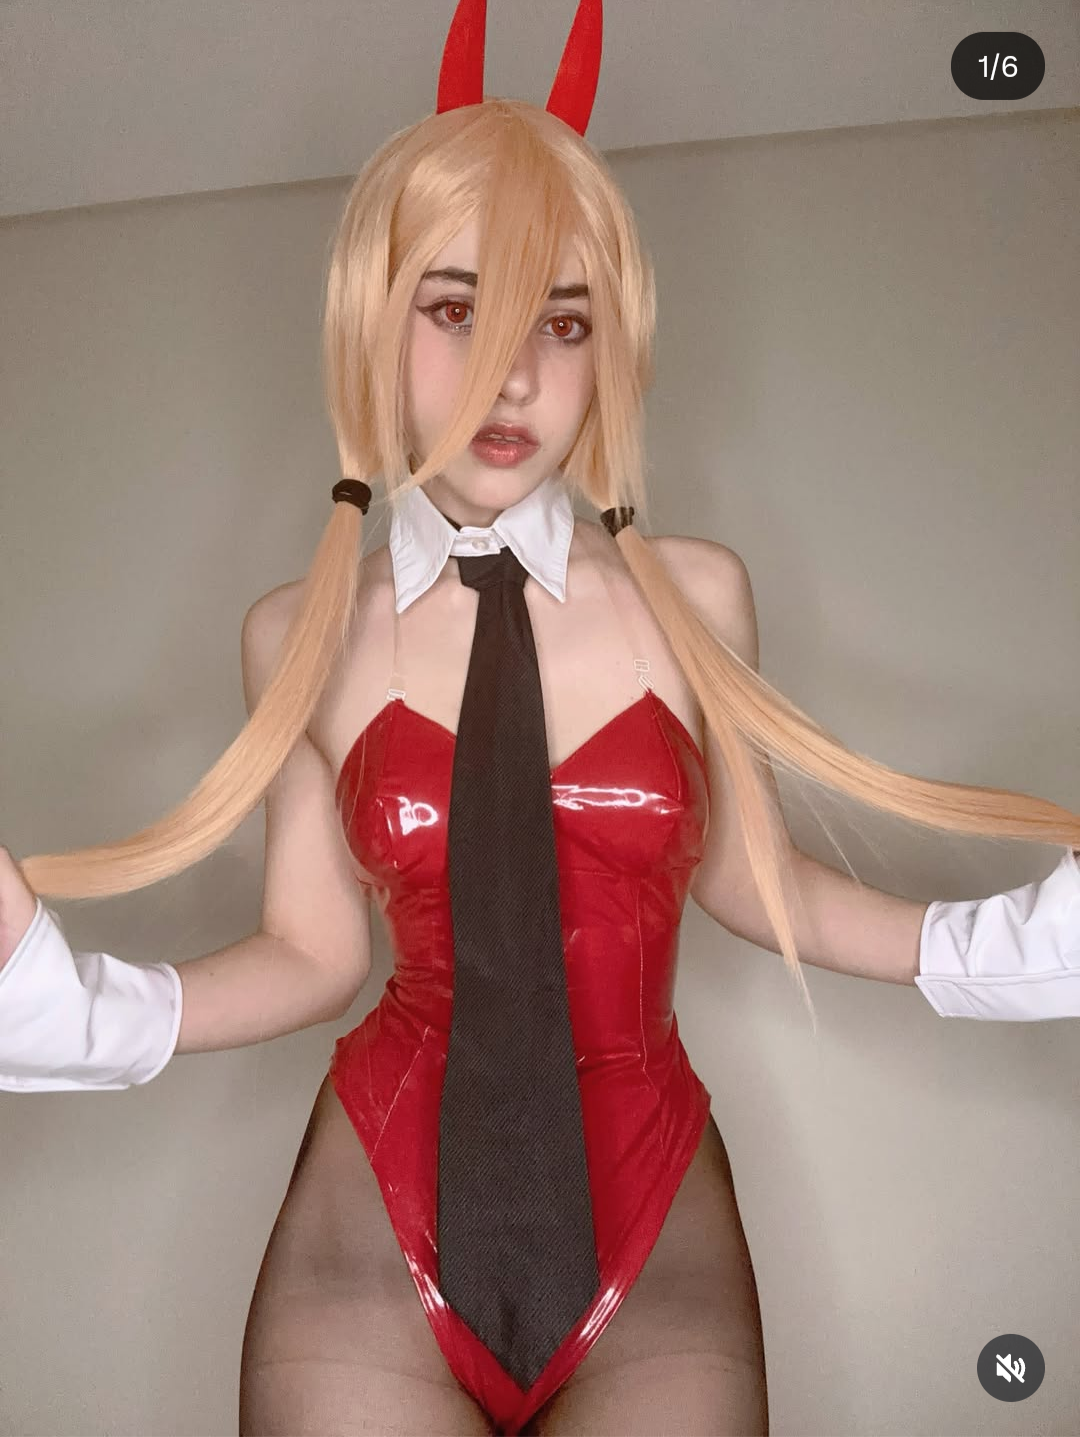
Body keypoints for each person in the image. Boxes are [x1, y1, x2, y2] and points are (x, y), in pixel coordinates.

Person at [2, 2, 1078, 1433]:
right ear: (373, 321)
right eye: (458, 310)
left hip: (654, 1213)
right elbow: (317, 955)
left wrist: (1020, 946)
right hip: (371, 1227)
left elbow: (761, 886)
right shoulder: (292, 631)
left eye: (560, 324)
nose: (513, 375)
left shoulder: (697, 593)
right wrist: (72, 1008)